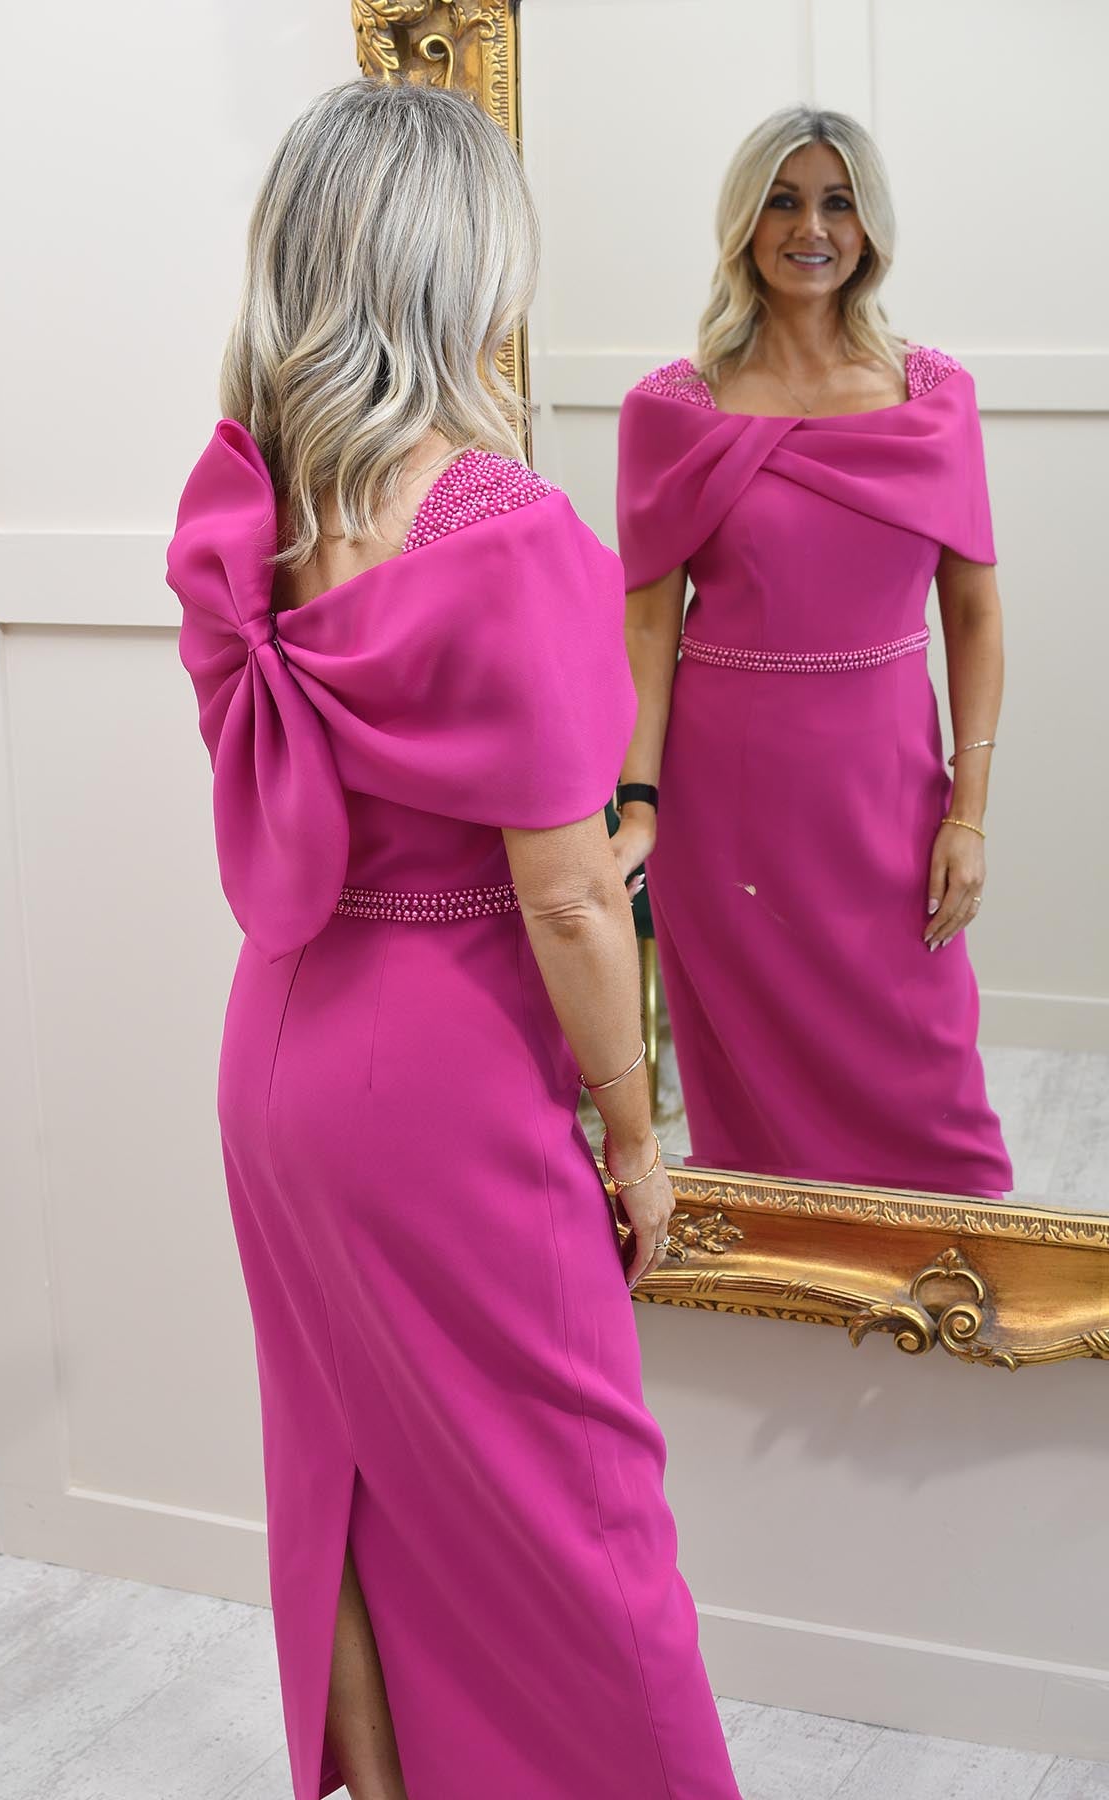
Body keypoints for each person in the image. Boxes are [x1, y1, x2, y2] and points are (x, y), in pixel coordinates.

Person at [166, 78, 741, 1800]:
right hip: (445, 1086)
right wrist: (635, 1137)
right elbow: (566, 894)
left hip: (279, 1047)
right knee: (588, 1516)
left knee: (339, 1474)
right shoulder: (499, 524)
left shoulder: (252, 505)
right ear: (457, 268)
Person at [614, 106, 1013, 1200]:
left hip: (888, 794)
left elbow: (975, 615)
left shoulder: (933, 397)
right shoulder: (672, 410)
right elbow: (646, 625)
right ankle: (776, 1294)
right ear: (744, 222)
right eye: (784, 201)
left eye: (838, 202)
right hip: (727, 808)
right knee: (753, 1118)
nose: (812, 228)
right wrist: (638, 801)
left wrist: (969, 812)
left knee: (933, 1086)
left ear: (869, 224)